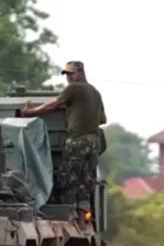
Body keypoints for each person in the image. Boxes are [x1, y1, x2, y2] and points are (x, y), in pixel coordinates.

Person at [20, 61, 106, 213]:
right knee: (85, 181)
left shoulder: (74, 88)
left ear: (80, 73)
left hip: (77, 140)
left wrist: (31, 112)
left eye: (71, 74)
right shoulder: (95, 92)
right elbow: (103, 119)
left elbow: (54, 104)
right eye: (66, 74)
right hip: (93, 142)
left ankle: (68, 213)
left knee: (68, 178)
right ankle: (81, 217)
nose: (68, 77)